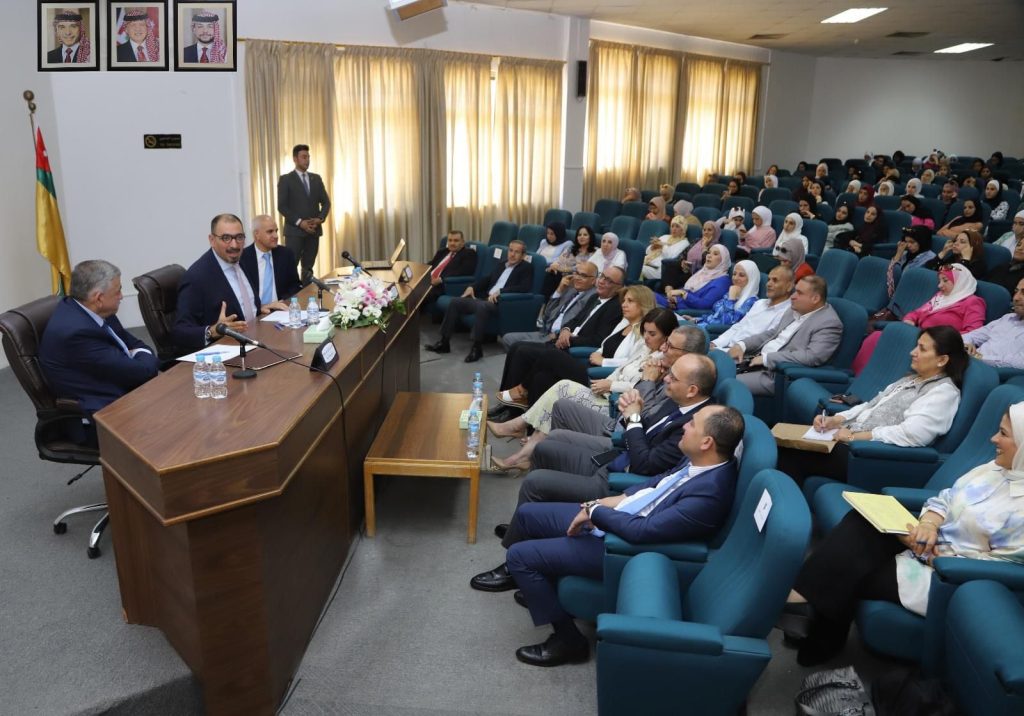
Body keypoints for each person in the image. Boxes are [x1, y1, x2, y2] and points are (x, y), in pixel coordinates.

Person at [472, 405, 743, 667]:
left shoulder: (709, 493)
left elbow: (643, 531)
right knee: (528, 515)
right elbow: (651, 486)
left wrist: (596, 513)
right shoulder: (699, 461)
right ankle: (538, 587)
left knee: (520, 557)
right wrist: (599, 503)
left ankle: (569, 641)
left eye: (692, 424)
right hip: (617, 517)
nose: (684, 426)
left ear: (707, 442)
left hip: (621, 547)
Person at [780, 401, 1024, 667]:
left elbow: (1005, 567)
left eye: (1003, 434)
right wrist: (929, 524)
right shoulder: (994, 469)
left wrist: (938, 558)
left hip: (948, 577)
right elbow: (945, 499)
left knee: (850, 568)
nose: (993, 439)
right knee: (862, 522)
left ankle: (805, 614)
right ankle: (807, 614)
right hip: (926, 544)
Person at [489, 309, 682, 470]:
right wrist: (607, 381)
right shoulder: (643, 347)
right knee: (545, 379)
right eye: (645, 332)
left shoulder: (662, 363)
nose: (646, 337)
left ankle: (518, 429)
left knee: (557, 372)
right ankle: (523, 450)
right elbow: (620, 369)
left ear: (667, 337)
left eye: (652, 334)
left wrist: (612, 385)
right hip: (604, 390)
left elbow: (641, 391)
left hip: (615, 405)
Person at [781, 325, 967, 484]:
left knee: (792, 453)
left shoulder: (943, 392)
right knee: (786, 443)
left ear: (942, 360)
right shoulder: (911, 379)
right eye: (916, 346)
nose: (913, 352)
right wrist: (836, 419)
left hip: (872, 457)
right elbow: (870, 406)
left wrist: (854, 437)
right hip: (851, 442)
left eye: (922, 349)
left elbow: (912, 434)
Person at [39, 260, 159, 441]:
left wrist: (139, 353)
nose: (121, 296)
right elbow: (143, 371)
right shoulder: (76, 334)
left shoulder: (94, 310)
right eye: (117, 291)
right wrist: (141, 354)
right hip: (102, 416)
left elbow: (134, 344)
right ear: (99, 298)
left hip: (122, 391)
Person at [488, 266, 626, 421]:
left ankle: (513, 407)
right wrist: (566, 329)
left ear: (618, 287)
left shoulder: (615, 308)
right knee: (516, 347)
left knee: (522, 351)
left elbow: (598, 340)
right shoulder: (595, 297)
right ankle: (506, 404)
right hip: (563, 343)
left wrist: (569, 339)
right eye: (602, 276)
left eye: (608, 281)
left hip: (573, 352)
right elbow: (574, 321)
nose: (602, 281)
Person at [492, 285, 656, 414]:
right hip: (591, 364)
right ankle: (528, 426)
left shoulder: (645, 332)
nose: (624, 304)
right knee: (542, 377)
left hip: (599, 377)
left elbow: (631, 362)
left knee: (551, 355)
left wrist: (604, 361)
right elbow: (604, 345)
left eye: (630, 301)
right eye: (624, 300)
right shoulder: (624, 322)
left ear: (643, 304)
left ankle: (522, 390)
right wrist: (599, 352)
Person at [853, 264, 985, 373]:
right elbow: (917, 312)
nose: (939, 285)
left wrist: (942, 338)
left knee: (880, 339)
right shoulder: (941, 296)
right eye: (939, 281)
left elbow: (974, 333)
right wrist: (909, 320)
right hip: (918, 335)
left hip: (936, 344)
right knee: (876, 336)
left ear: (960, 282)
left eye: (945, 280)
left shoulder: (973, 302)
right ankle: (860, 376)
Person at [728, 275, 842, 396]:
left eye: (799, 293)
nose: (793, 296)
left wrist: (767, 359)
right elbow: (772, 333)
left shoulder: (829, 323)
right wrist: (742, 345)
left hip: (776, 374)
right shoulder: (795, 309)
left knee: (725, 382)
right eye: (795, 291)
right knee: (716, 367)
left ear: (815, 298)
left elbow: (811, 357)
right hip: (754, 358)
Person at [425, 239, 532, 363]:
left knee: (482, 307)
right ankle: (444, 342)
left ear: (523, 255)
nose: (512, 254)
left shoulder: (526, 268)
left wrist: (501, 291)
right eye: (511, 250)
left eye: (516, 252)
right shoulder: (502, 264)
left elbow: (524, 287)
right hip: (484, 299)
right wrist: (472, 287)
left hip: (501, 303)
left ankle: (477, 348)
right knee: (455, 302)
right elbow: (487, 279)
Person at [172, 213, 261, 353]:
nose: (234, 245)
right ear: (212, 240)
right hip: (226, 352)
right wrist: (213, 331)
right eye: (226, 238)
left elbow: (244, 305)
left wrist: (261, 306)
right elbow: (180, 331)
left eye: (239, 237)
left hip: (256, 340)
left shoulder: (242, 261)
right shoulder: (196, 277)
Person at [501, 261, 598, 348]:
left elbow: (579, 323)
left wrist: (558, 334)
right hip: (545, 332)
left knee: (519, 347)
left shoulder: (592, 297)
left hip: (557, 338)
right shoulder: (570, 290)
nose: (577, 278)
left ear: (593, 280)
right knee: (508, 338)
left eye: (583, 276)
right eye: (576, 273)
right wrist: (559, 290)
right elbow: (547, 313)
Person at [277, 144, 332, 282]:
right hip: (294, 232)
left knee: (308, 268)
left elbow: (326, 203)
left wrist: (320, 218)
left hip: (314, 230)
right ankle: (292, 293)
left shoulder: (316, 178)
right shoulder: (286, 179)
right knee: (290, 266)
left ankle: (307, 292)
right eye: (303, 157)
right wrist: (300, 222)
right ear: (295, 159)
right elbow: (282, 206)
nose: (307, 160)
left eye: (308, 157)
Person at [711, 265, 794, 350]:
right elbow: (738, 326)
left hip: (744, 352)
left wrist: (731, 349)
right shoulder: (759, 303)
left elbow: (766, 340)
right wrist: (716, 343)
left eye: (775, 280)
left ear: (789, 286)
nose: (769, 284)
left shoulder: (787, 312)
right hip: (727, 346)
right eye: (768, 280)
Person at [240, 215, 301, 313]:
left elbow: (295, 285)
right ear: (256, 234)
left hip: (280, 310)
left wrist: (284, 300)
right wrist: (260, 308)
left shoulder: (286, 254)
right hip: (256, 312)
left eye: (276, 231)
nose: (276, 236)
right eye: (270, 232)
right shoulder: (242, 258)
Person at [963, 277, 1024, 370]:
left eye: (1023, 293)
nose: (1015, 298)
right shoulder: (1007, 318)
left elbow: (1019, 362)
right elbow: (972, 336)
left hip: (991, 372)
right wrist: (966, 345)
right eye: (1016, 292)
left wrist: (978, 357)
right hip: (970, 362)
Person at [686, 260, 760, 329]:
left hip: (711, 332)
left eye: (741, 275)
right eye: (734, 274)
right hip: (703, 326)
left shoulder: (751, 302)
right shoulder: (733, 292)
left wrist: (731, 299)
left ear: (751, 278)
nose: (735, 278)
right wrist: (696, 320)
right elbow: (716, 315)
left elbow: (727, 322)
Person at [663, 244, 732, 311]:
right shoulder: (703, 272)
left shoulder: (723, 281)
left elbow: (705, 305)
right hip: (676, 303)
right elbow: (688, 289)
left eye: (715, 254)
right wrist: (674, 298)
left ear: (723, 260)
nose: (709, 256)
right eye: (709, 252)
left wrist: (682, 293)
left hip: (685, 310)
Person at [424, 229, 478, 305]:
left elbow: (463, 271)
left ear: (462, 242)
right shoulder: (442, 252)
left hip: (443, 285)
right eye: (450, 240)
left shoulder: (469, 253)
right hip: (427, 281)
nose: (452, 243)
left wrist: (441, 279)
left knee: (419, 295)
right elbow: (431, 264)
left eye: (456, 241)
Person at [886, 225, 937, 298]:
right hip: (895, 290)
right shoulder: (905, 253)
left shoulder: (931, 258)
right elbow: (889, 274)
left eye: (912, 242)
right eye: (906, 242)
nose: (908, 245)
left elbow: (909, 279)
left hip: (910, 293)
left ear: (922, 241)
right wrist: (898, 254)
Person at [641, 215, 691, 281]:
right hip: (648, 262)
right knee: (634, 265)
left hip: (660, 269)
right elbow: (647, 251)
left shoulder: (685, 243)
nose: (674, 229)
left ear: (683, 229)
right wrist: (653, 247)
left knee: (638, 269)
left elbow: (672, 257)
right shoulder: (665, 237)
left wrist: (662, 246)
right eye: (672, 226)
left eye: (677, 226)